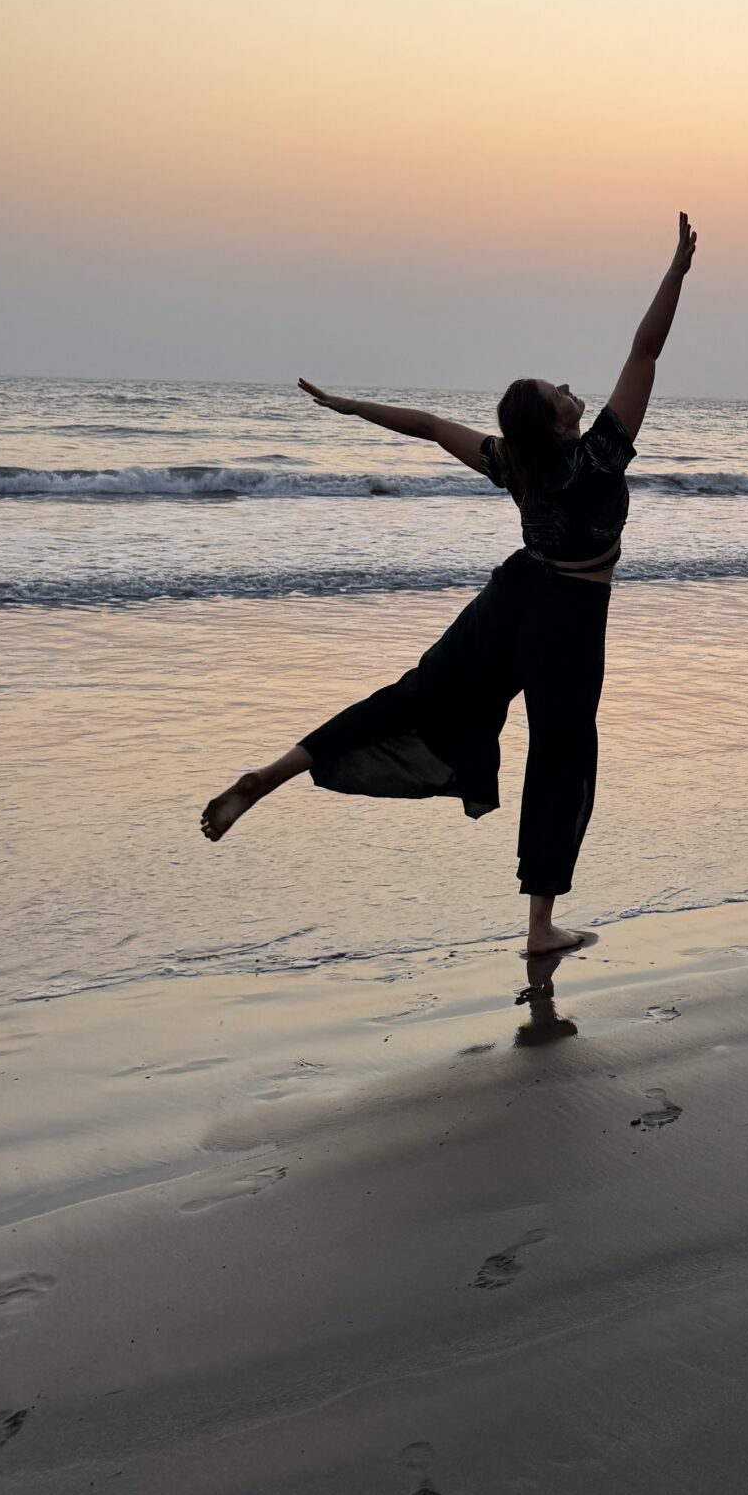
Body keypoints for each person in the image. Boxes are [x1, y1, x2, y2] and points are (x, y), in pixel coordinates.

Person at [200, 213, 697, 959]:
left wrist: (349, 406)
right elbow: (646, 346)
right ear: (561, 426)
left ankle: (273, 773)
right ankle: (539, 928)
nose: (567, 386)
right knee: (562, 756)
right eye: (557, 392)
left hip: (512, 599)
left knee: (414, 696)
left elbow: (431, 425)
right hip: (568, 619)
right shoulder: (599, 455)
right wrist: (677, 272)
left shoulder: (514, 461)